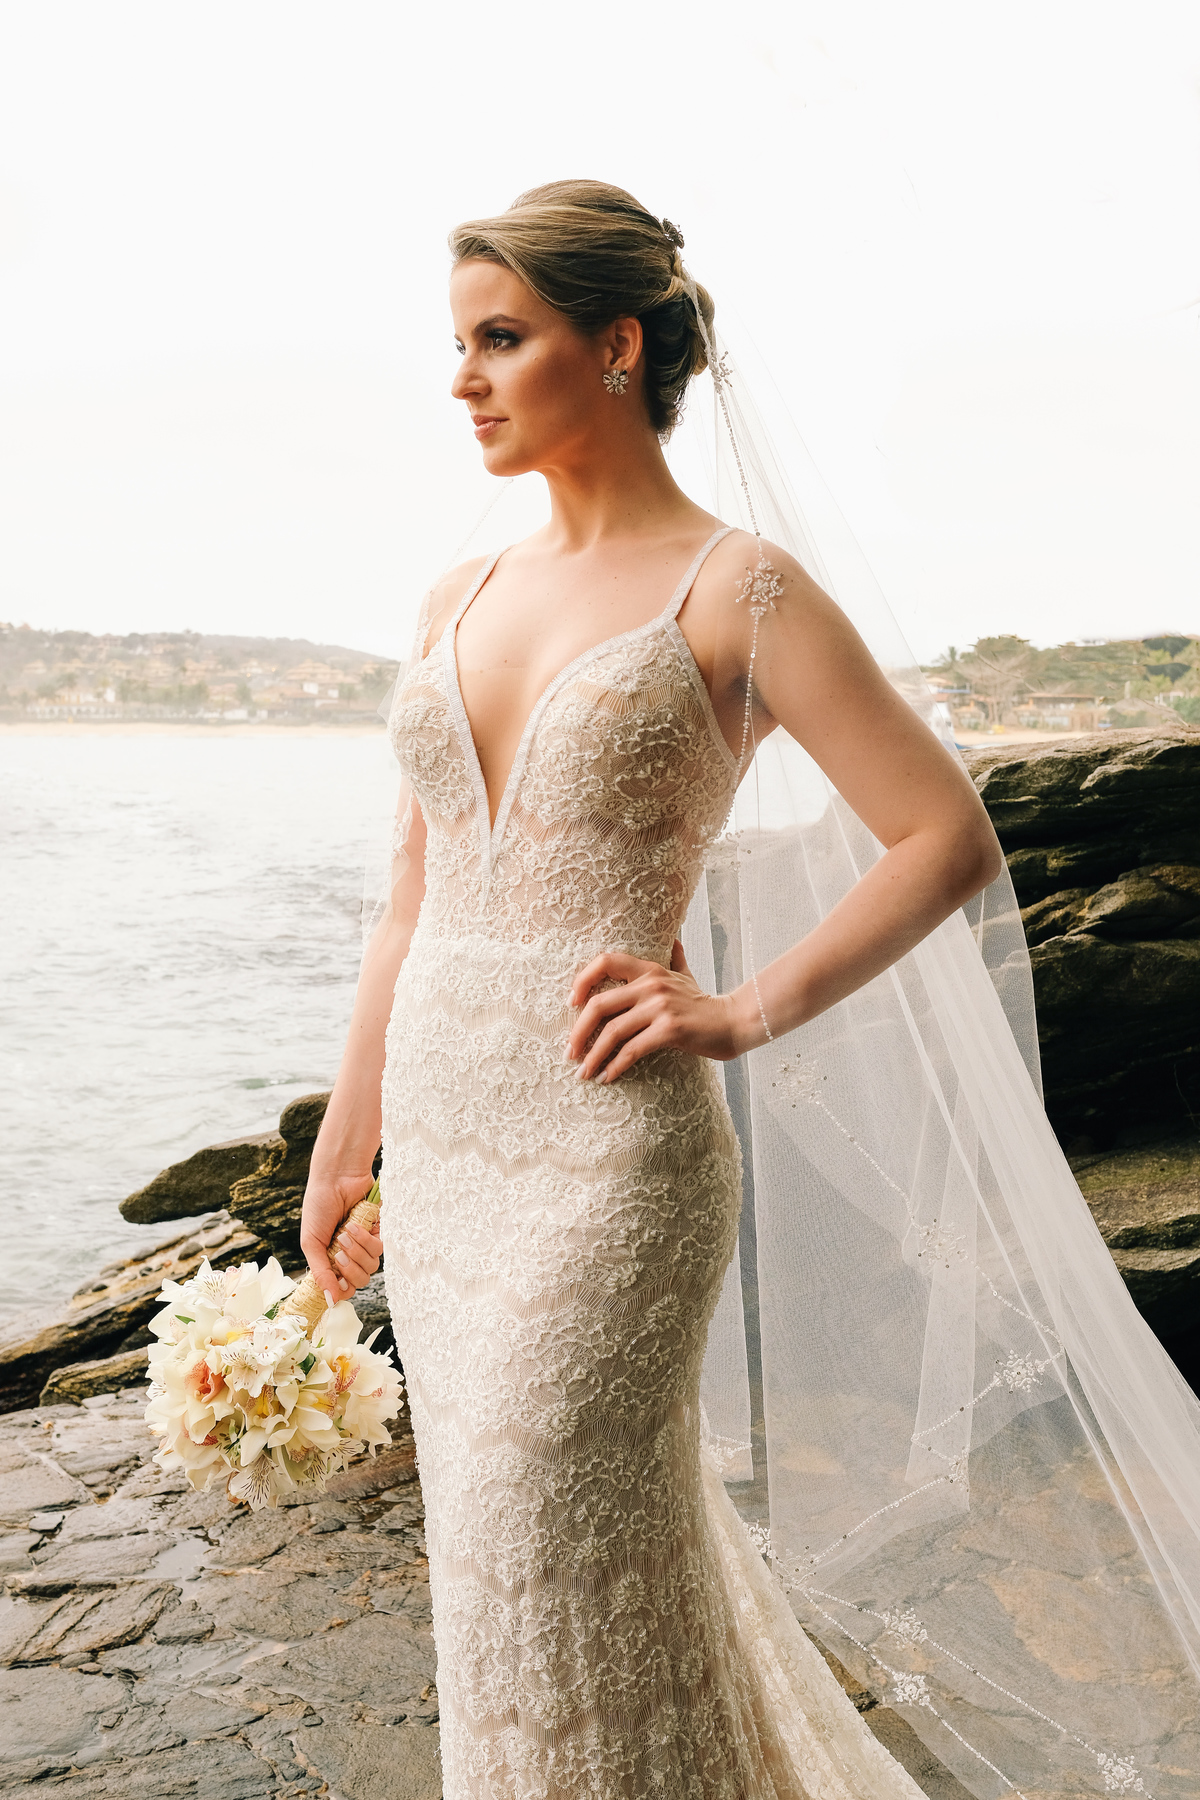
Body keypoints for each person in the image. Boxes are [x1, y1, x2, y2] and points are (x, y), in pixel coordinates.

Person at [300, 182, 1200, 1799]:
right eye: (459, 345)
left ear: (617, 343)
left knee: (547, 1517)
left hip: (609, 1157)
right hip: (448, 1142)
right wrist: (346, 1139)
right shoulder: (457, 597)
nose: (465, 379)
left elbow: (945, 835)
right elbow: (408, 902)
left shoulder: (734, 589)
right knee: (498, 1582)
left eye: (501, 339)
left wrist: (743, 1008)